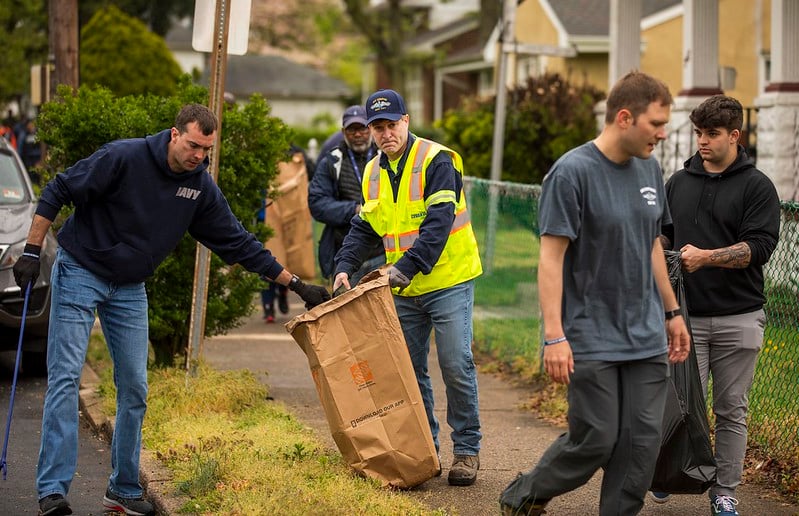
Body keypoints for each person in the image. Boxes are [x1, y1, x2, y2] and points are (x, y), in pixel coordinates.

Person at [11, 104, 330, 516]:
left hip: (129, 286)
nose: (199, 156)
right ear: (174, 134)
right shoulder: (123, 157)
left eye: (207, 150)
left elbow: (239, 243)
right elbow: (58, 189)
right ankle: (52, 491)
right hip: (81, 269)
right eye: (194, 145)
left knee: (135, 389)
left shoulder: (199, 187)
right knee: (66, 378)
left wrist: (299, 285)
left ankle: (123, 490)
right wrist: (32, 251)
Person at [498, 71, 691, 516]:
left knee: (642, 444)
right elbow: (550, 259)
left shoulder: (650, 168)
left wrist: (672, 311)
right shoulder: (571, 174)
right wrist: (554, 335)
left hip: (644, 334)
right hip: (590, 333)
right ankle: (524, 494)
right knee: (595, 439)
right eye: (656, 124)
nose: (663, 134)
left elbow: (650, 246)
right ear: (625, 117)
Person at [332, 89, 484, 486]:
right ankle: (425, 450)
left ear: (407, 121)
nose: (385, 134)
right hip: (403, 290)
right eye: (377, 127)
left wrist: (402, 269)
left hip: (447, 280)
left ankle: (466, 450)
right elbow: (365, 227)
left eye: (391, 124)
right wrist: (344, 266)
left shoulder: (438, 161)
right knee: (408, 373)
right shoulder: (372, 172)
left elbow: (437, 225)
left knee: (455, 364)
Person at [654, 95, 780, 516]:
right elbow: (663, 235)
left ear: (734, 135)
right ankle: (666, 475)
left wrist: (706, 256)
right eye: (698, 133)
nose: (702, 142)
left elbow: (760, 247)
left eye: (711, 134)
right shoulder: (678, 182)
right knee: (675, 403)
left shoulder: (757, 186)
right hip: (684, 318)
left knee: (731, 410)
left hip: (739, 317)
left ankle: (724, 491)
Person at [309, 105, 384, 286]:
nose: (358, 134)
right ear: (343, 132)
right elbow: (317, 204)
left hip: (383, 254)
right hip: (344, 254)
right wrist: (355, 209)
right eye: (352, 129)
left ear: (371, 128)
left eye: (362, 128)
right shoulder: (331, 161)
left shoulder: (386, 158)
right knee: (349, 313)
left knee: (383, 311)